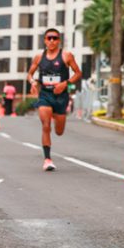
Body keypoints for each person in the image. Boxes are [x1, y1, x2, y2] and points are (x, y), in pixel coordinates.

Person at [26, 28, 82, 172]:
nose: (52, 41)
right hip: (45, 95)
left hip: (61, 97)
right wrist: (32, 82)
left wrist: (66, 83)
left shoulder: (66, 56)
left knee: (59, 131)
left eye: (55, 38)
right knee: (46, 126)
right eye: (49, 38)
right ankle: (47, 159)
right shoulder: (39, 57)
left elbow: (78, 73)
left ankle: (57, 117)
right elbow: (30, 74)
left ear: (59, 41)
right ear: (44, 40)